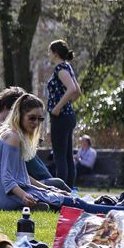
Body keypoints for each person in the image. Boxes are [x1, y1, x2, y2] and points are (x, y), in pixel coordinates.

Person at [0, 94, 124, 216]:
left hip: (3, 197)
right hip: (2, 199)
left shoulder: (14, 135)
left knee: (64, 195)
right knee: (75, 204)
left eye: (40, 119)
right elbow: (8, 179)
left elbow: (21, 175)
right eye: (32, 118)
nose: (36, 123)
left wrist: (48, 189)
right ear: (19, 115)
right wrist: (24, 196)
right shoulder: (12, 137)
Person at [0, 87, 69, 208]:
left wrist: (47, 189)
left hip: (4, 189)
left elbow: (18, 173)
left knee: (56, 186)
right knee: (58, 184)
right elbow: (5, 177)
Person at [46, 40, 82, 188]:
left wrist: (58, 107)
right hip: (68, 116)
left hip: (60, 117)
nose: (48, 55)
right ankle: (69, 189)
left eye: (50, 51)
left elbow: (72, 89)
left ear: (55, 53)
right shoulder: (68, 68)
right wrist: (66, 104)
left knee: (60, 157)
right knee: (67, 157)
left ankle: (61, 192)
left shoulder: (60, 69)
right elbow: (78, 91)